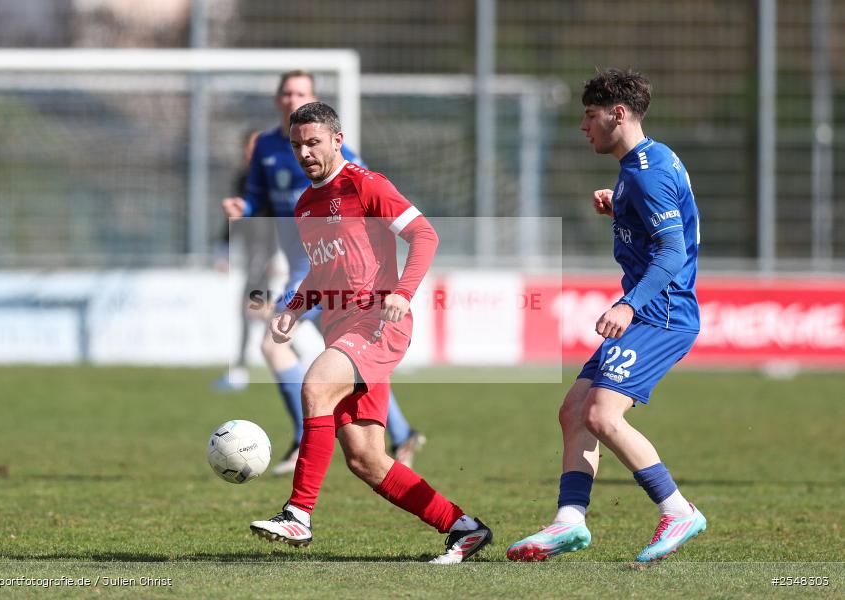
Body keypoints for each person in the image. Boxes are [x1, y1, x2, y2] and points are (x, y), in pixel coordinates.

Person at [249, 102, 492, 564]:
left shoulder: (366, 184)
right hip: (341, 330)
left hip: (377, 324)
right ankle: (464, 528)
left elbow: (425, 236)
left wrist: (402, 292)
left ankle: (298, 514)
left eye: (313, 142)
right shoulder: (306, 205)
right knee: (365, 458)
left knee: (315, 386)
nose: (304, 152)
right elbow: (321, 272)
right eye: (297, 145)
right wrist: (293, 310)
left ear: (337, 140)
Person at [507, 69, 706, 563]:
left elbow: (672, 251)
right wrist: (619, 207)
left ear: (617, 114)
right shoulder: (643, 163)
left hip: (660, 314)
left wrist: (627, 303)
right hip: (652, 310)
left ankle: (678, 510)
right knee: (574, 411)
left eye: (590, 116)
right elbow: (660, 220)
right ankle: (568, 522)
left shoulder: (647, 172)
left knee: (600, 413)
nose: (583, 126)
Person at [222, 70, 425, 475]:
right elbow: (257, 199)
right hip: (305, 264)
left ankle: (305, 441)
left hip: (334, 269)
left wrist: (396, 284)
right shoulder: (265, 145)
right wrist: (243, 211)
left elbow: (368, 193)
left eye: (301, 92)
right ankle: (400, 434)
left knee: (291, 348)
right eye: (287, 92)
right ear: (278, 98)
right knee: (340, 356)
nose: (292, 98)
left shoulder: (341, 163)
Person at [214, 129, 278, 392]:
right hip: (253, 249)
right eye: (248, 146)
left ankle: (239, 369)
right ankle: (293, 356)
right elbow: (236, 218)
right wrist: (223, 246)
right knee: (260, 311)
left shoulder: (272, 177)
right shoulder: (243, 178)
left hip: (266, 250)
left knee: (250, 308)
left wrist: (280, 254)